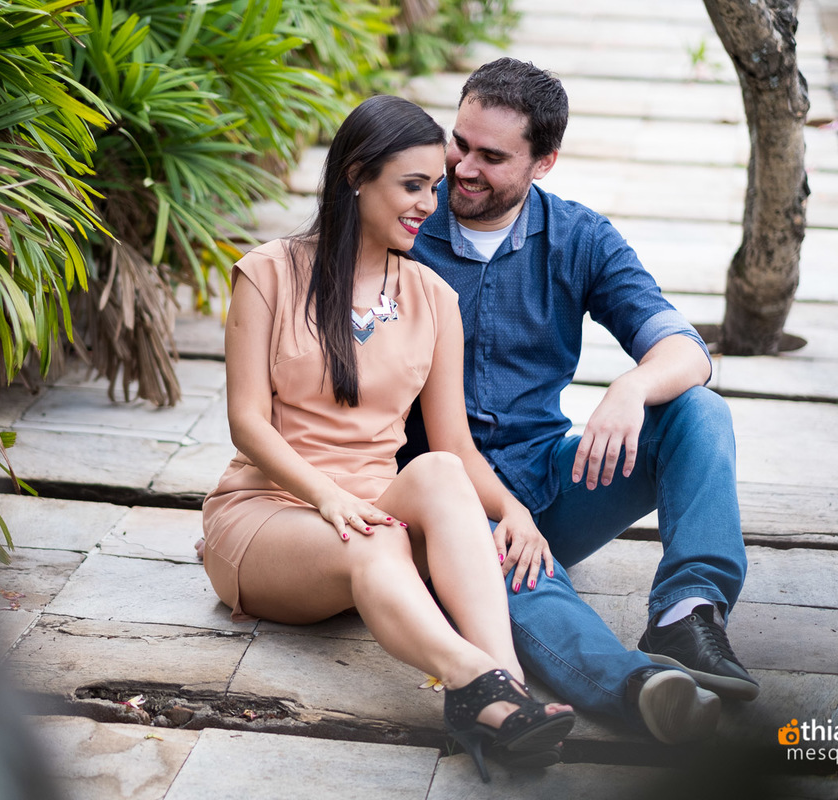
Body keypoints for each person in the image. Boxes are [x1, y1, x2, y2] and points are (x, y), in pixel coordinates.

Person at [199, 94, 576, 782]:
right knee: (375, 535)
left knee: (434, 472)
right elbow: (247, 422)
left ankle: (507, 691)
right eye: (412, 186)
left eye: (434, 186)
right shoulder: (270, 273)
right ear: (355, 176)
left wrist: (514, 510)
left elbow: (456, 448)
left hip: (374, 519)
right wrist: (326, 497)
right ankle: (477, 683)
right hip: (269, 515)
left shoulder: (434, 298)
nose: (429, 204)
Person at [402, 58, 759, 745]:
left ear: (545, 163)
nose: (462, 168)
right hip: (440, 501)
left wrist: (629, 386)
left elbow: (686, 352)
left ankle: (688, 613)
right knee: (503, 561)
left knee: (697, 411)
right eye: (460, 143)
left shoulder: (579, 238)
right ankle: (635, 689)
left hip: (545, 482)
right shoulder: (410, 223)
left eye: (492, 156)